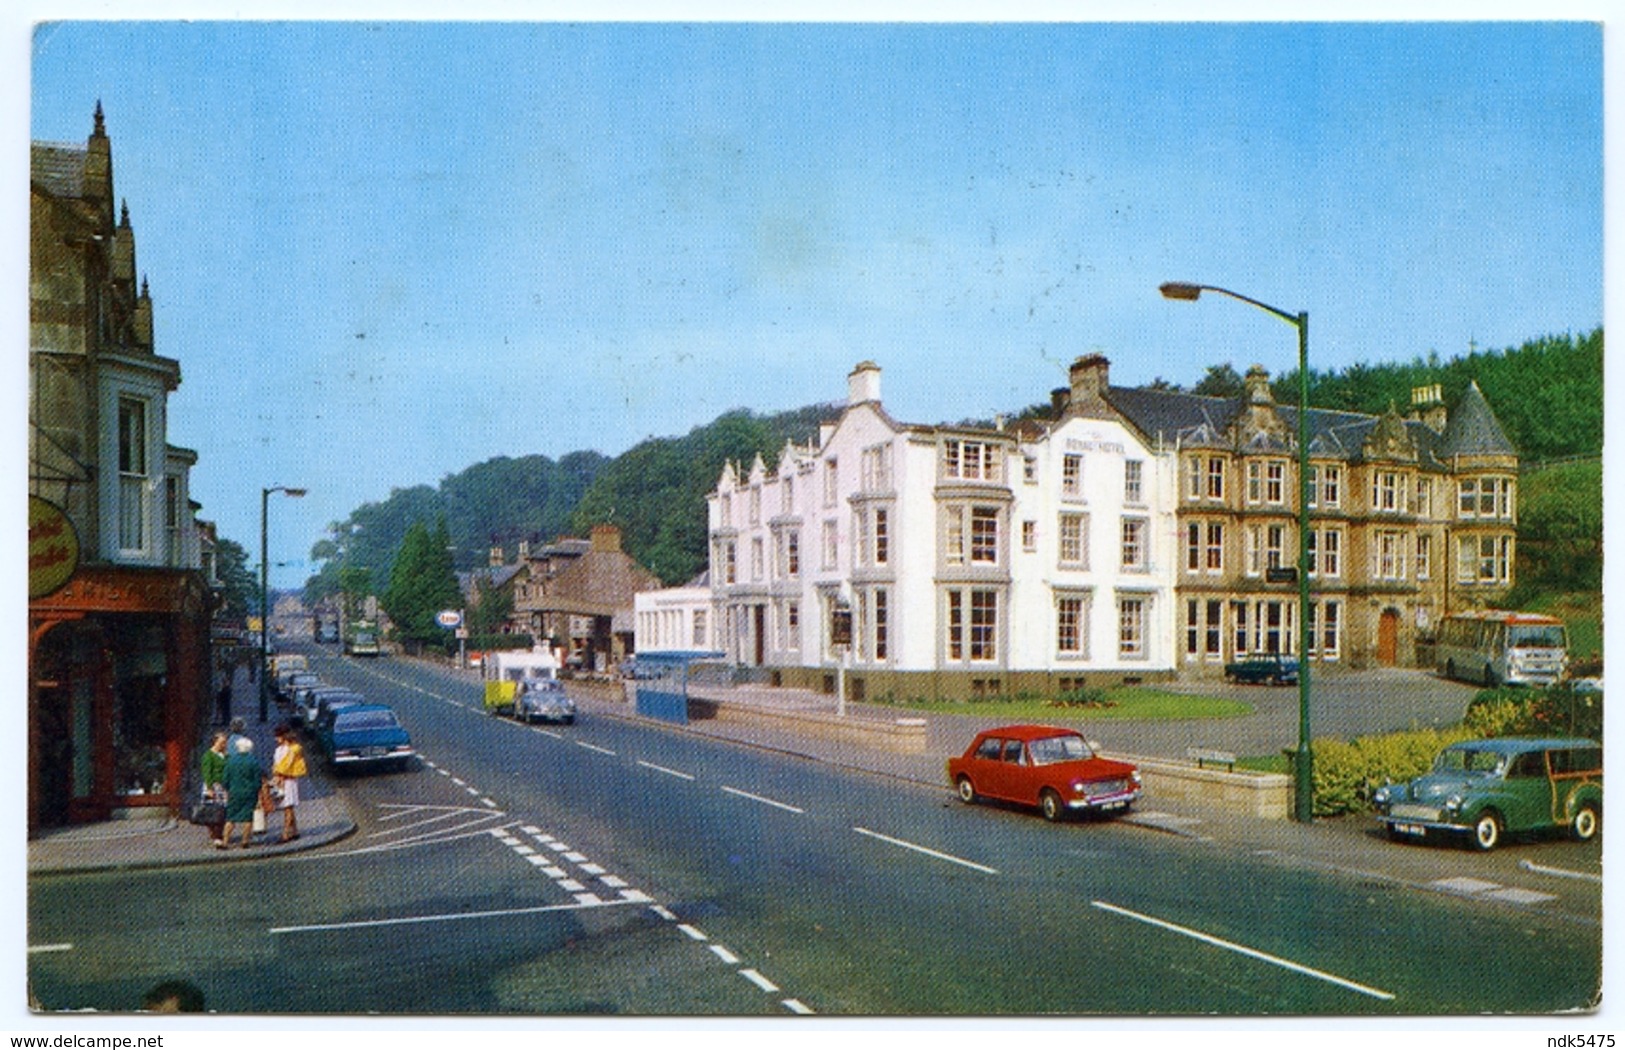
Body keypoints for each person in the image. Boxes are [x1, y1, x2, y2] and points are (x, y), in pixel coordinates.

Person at [219, 737, 262, 849]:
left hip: (234, 792)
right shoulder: (254, 761)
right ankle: (245, 841)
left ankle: (225, 841)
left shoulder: (231, 761)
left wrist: (227, 789)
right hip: (249, 793)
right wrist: (257, 793)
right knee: (247, 817)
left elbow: (225, 779)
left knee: (230, 817)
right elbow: (257, 780)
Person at [271, 722, 307, 842]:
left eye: (277, 736)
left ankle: (285, 834)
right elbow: (276, 765)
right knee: (288, 806)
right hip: (282, 780)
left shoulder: (291, 750)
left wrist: (278, 776)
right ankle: (295, 831)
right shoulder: (279, 749)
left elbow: (286, 766)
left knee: (288, 807)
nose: (276, 739)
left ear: (283, 736)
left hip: (288, 781)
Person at [198, 731, 229, 844]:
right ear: (215, 742)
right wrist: (210, 788)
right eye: (222, 742)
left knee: (222, 811)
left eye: (225, 743)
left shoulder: (225, 755)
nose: (224, 745)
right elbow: (206, 772)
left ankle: (219, 833)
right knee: (213, 811)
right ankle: (216, 834)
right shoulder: (208, 755)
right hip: (214, 785)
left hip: (223, 786)